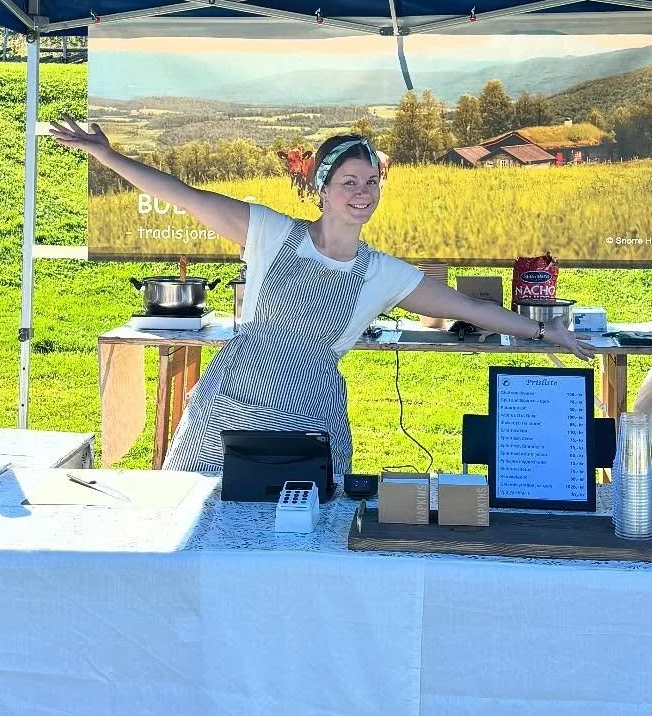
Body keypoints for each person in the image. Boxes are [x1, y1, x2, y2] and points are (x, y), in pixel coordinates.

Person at [46, 120, 597, 476]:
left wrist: (546, 332)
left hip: (311, 424)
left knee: (302, 545)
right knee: (198, 532)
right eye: (349, 183)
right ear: (323, 190)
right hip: (226, 414)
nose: (362, 195)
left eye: (370, 183)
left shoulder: (381, 272)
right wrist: (107, 155)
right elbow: (180, 194)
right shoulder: (270, 232)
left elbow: (470, 309)